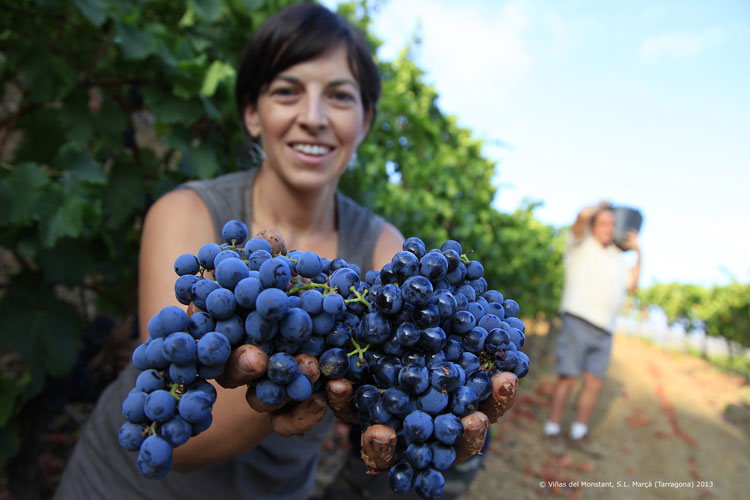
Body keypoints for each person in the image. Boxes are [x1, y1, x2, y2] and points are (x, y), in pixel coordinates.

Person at [54, 4, 518, 499]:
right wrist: (308, 361)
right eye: (286, 91)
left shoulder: (387, 252)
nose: (313, 117)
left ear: (365, 122)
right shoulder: (187, 213)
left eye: (339, 96)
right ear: (253, 114)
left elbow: (392, 393)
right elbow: (182, 443)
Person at [543, 201, 641, 457]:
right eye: (605, 223)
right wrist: (603, 204)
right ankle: (552, 429)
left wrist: (639, 252)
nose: (610, 228)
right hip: (577, 320)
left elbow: (633, 286)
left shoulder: (618, 259)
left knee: (595, 383)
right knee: (568, 377)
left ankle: (578, 433)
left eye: (613, 224)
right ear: (594, 225)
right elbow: (581, 215)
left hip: (606, 329)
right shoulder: (580, 244)